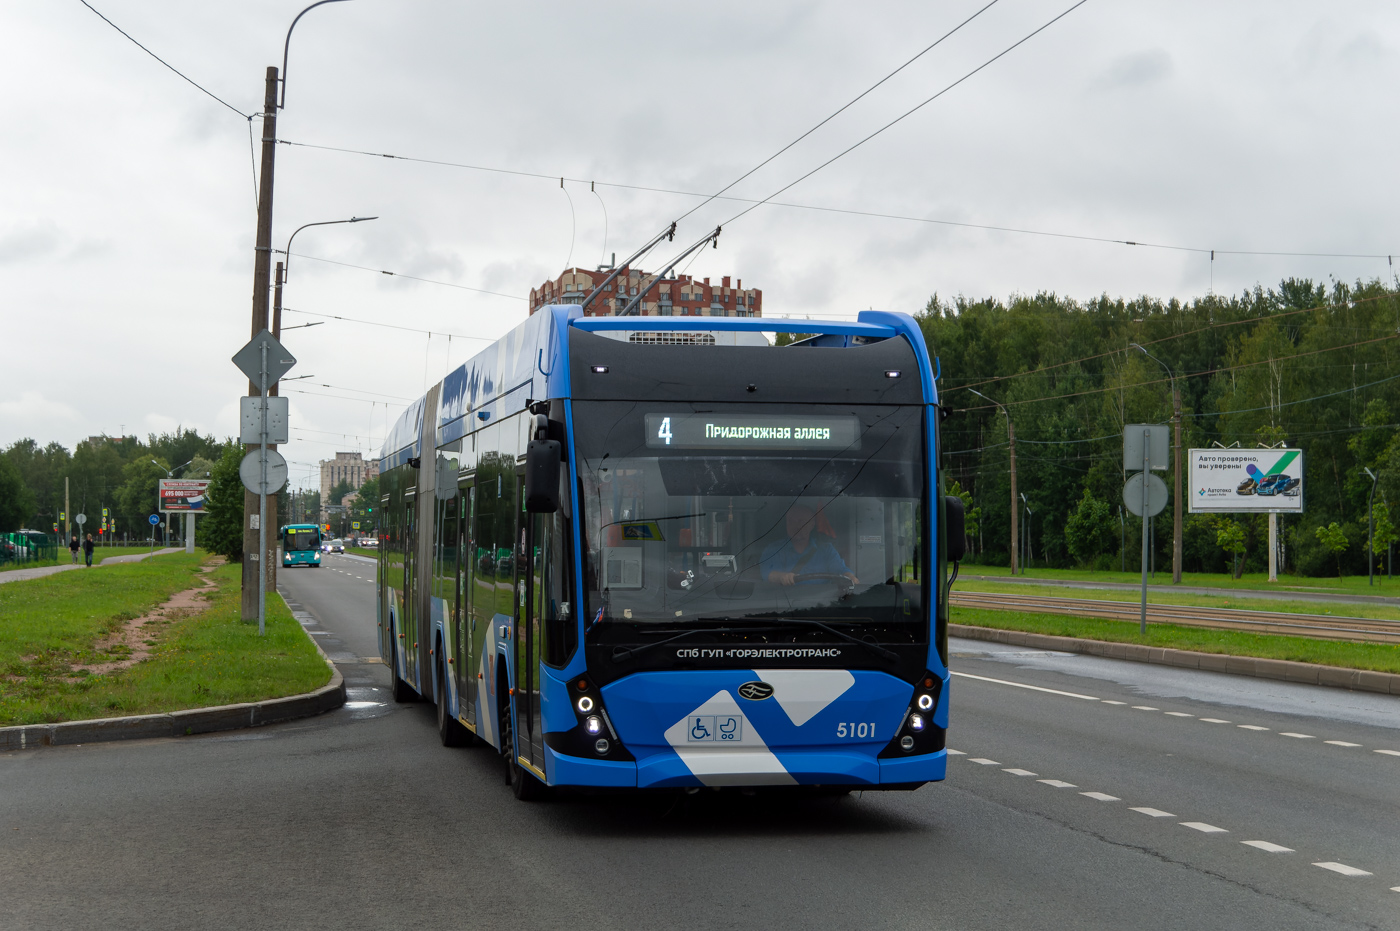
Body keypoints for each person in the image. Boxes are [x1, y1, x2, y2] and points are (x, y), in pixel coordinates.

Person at [761, 504, 857, 586]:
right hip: (785, 603)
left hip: (822, 603)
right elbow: (767, 573)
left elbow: (840, 570)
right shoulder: (774, 549)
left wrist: (850, 577)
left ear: (812, 524)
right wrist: (781, 577)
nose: (796, 526)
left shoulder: (826, 550)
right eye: (790, 521)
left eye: (801, 521)